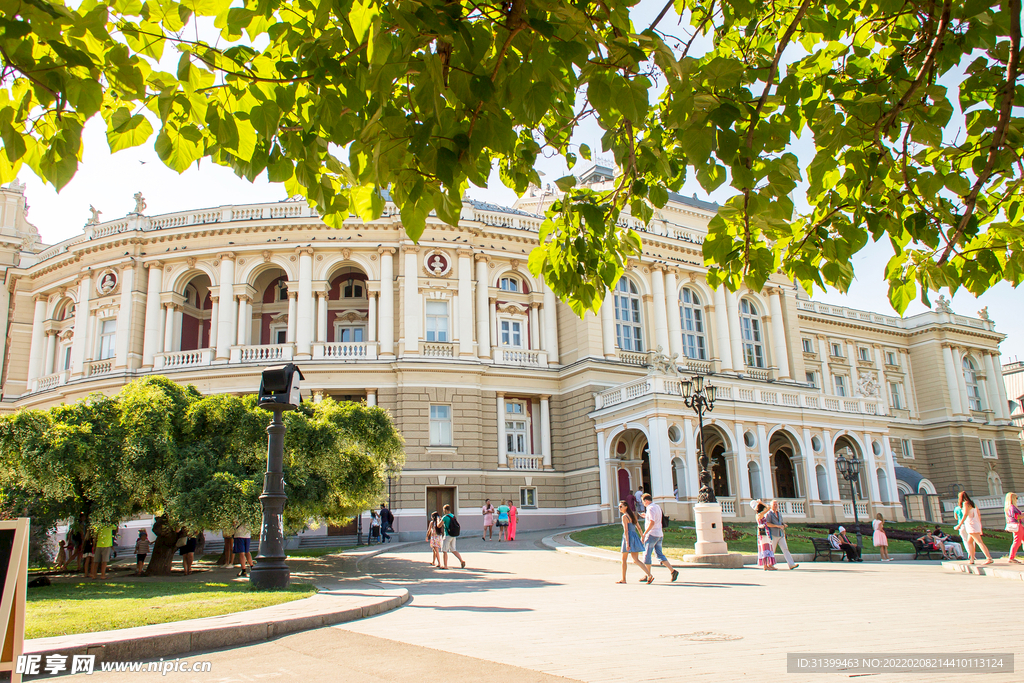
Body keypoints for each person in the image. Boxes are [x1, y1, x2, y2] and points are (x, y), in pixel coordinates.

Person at [639, 493, 679, 582]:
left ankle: (648, 575)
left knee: (647, 554)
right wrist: (646, 516)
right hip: (659, 534)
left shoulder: (650, 508)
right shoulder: (657, 507)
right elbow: (656, 518)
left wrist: (645, 533)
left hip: (652, 534)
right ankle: (672, 571)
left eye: (643, 502)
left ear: (645, 501)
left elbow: (652, 522)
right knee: (659, 554)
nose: (643, 504)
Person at [617, 500, 653, 584]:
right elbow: (639, 527)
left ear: (626, 507)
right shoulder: (633, 515)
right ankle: (649, 574)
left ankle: (623, 579)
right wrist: (642, 536)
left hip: (628, 537)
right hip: (634, 536)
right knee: (636, 559)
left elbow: (626, 530)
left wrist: (627, 543)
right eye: (619, 507)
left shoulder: (624, 517)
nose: (619, 508)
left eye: (621, 506)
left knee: (624, 559)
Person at [955, 493, 993, 565]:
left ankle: (988, 558)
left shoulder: (965, 503)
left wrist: (959, 525)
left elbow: (965, 514)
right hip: (975, 523)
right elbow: (978, 514)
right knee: (969, 542)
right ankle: (972, 559)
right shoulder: (973, 503)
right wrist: (978, 523)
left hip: (971, 524)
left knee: (979, 541)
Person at [766, 500, 798, 569]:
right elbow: (767, 524)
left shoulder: (779, 513)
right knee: (772, 550)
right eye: (774, 504)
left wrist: (783, 525)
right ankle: (770, 564)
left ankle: (791, 564)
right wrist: (777, 526)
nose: (775, 506)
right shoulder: (769, 514)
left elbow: (781, 522)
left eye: (776, 504)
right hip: (773, 534)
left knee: (785, 549)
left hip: (781, 534)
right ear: (771, 505)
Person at [440, 504, 466, 569]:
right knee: (453, 549)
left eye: (444, 510)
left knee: (444, 551)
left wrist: (439, 520)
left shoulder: (445, 517)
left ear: (445, 510)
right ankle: (461, 560)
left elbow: (439, 525)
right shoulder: (453, 516)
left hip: (447, 535)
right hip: (453, 535)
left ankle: (445, 566)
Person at [755, 502, 776, 570]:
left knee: (767, 548)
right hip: (763, 532)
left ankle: (769, 564)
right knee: (765, 548)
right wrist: (761, 503)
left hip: (764, 532)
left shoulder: (758, 515)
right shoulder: (760, 514)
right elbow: (769, 507)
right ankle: (765, 565)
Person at [1005, 492, 1023, 564]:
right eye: (1016, 498)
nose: (1017, 500)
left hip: (1017, 525)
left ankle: (1011, 557)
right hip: (1017, 525)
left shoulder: (1008, 507)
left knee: (1019, 541)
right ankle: (1011, 558)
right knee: (1017, 541)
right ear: (1012, 499)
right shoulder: (1012, 507)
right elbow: (1016, 516)